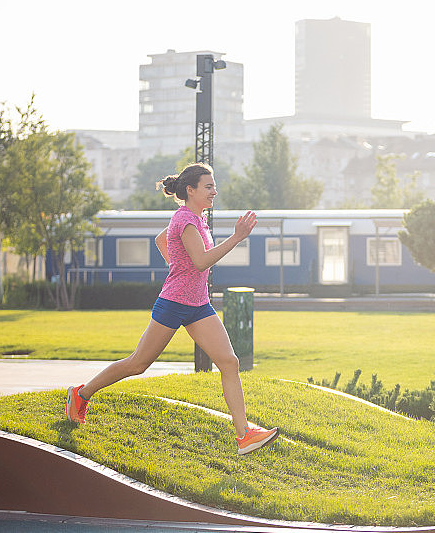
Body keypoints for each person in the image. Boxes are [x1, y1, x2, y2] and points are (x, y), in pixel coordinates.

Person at [66, 162, 278, 455]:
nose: (214, 192)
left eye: (214, 186)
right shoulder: (186, 221)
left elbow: (161, 240)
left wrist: (177, 265)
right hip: (175, 303)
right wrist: (237, 237)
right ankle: (81, 394)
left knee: (229, 362)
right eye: (209, 187)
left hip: (198, 304)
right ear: (190, 190)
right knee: (138, 364)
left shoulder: (195, 218)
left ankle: (244, 435)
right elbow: (202, 261)